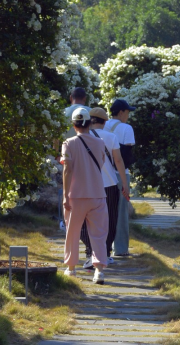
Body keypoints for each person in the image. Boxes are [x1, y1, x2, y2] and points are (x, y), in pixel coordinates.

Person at [61, 107, 109, 284]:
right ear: (89, 123)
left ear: (74, 125)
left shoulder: (68, 143)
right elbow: (102, 163)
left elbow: (67, 170)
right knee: (98, 234)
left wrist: (65, 195)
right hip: (97, 193)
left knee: (72, 232)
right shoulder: (100, 142)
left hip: (76, 195)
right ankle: (99, 271)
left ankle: (71, 268)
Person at [79, 107, 130, 270]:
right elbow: (119, 161)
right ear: (105, 122)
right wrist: (125, 184)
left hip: (87, 185)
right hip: (109, 183)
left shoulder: (81, 137)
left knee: (85, 220)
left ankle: (90, 253)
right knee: (110, 219)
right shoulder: (111, 136)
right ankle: (105, 253)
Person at [104, 99, 137, 257]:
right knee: (121, 212)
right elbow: (127, 155)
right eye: (128, 112)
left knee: (105, 210)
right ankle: (121, 248)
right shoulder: (126, 128)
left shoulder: (103, 126)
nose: (128, 115)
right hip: (121, 173)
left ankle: (103, 248)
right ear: (122, 112)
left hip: (104, 174)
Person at [57, 88, 90, 231]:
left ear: (71, 98)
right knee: (86, 190)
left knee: (67, 189)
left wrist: (56, 153)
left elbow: (55, 136)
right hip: (87, 156)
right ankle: (85, 222)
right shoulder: (90, 111)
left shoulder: (62, 113)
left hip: (67, 154)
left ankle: (67, 220)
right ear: (85, 98)